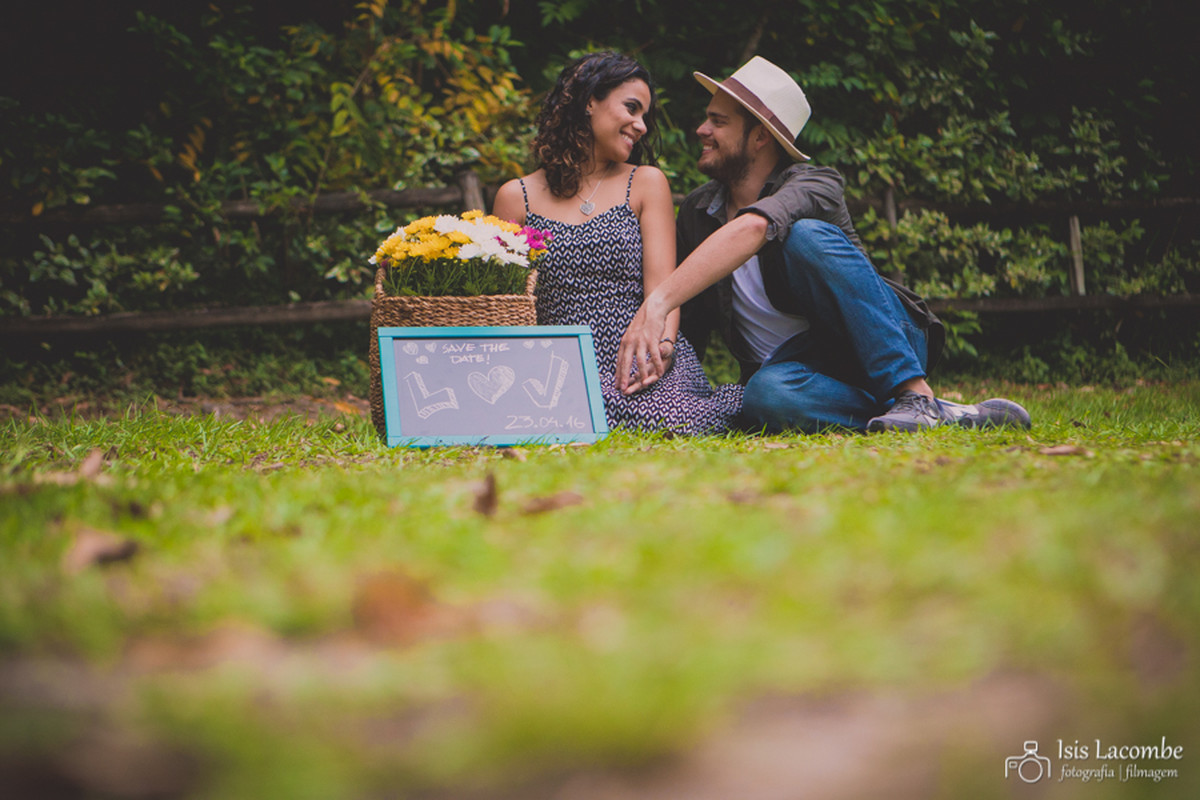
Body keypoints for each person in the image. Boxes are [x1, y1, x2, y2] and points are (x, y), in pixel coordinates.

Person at [616, 56, 1030, 433]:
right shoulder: (698, 213)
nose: (701, 130)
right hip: (792, 376)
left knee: (805, 236)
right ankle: (936, 412)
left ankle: (913, 392)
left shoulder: (816, 182)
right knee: (765, 396)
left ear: (760, 136)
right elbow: (692, 328)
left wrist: (658, 301)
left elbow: (755, 228)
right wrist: (667, 388)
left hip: (880, 341)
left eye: (718, 121)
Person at [493, 51, 743, 435]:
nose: (640, 125)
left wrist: (661, 349)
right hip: (556, 364)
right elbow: (507, 307)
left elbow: (663, 289)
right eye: (631, 108)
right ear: (590, 101)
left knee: (671, 420)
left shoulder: (645, 183)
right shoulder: (516, 197)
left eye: (645, 116)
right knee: (565, 417)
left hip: (639, 354)